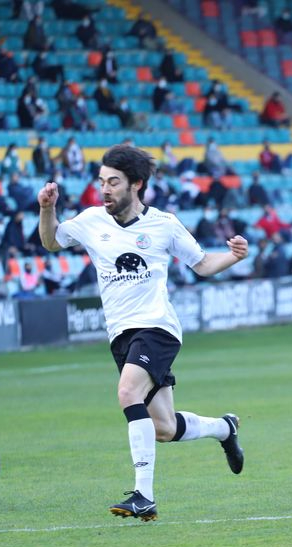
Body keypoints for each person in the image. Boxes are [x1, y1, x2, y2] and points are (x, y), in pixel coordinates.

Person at [36, 144, 248, 521]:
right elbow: (51, 242)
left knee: (127, 392)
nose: (105, 189)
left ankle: (144, 496)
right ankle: (224, 428)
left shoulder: (164, 224)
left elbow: (201, 264)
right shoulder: (91, 220)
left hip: (157, 327)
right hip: (121, 334)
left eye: (113, 182)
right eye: (102, 181)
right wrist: (47, 209)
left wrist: (232, 256)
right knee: (164, 427)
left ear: (136, 184)